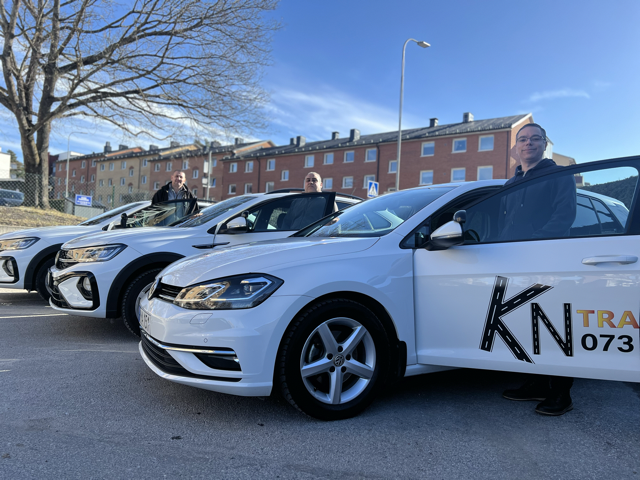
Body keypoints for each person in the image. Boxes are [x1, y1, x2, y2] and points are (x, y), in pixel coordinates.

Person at [500, 123, 576, 416]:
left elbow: (565, 215)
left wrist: (533, 243)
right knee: (524, 324)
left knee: (552, 326)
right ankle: (535, 384)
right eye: (523, 139)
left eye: (535, 138)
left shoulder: (558, 175)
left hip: (547, 260)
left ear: (544, 145)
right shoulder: (510, 184)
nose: (528, 143)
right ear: (516, 147)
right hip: (512, 262)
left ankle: (561, 393)